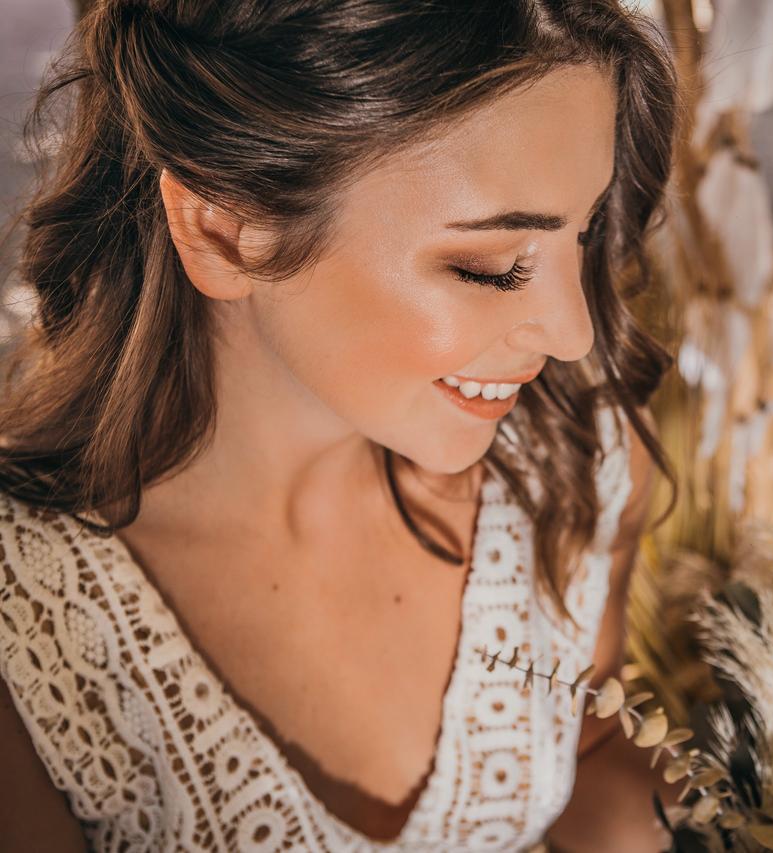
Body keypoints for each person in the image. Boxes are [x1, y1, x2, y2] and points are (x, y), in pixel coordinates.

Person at [0, 0, 683, 849]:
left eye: (581, 237)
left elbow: (588, 739)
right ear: (226, 229)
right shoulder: (24, 632)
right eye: (494, 267)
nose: (575, 333)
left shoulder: (577, 462)